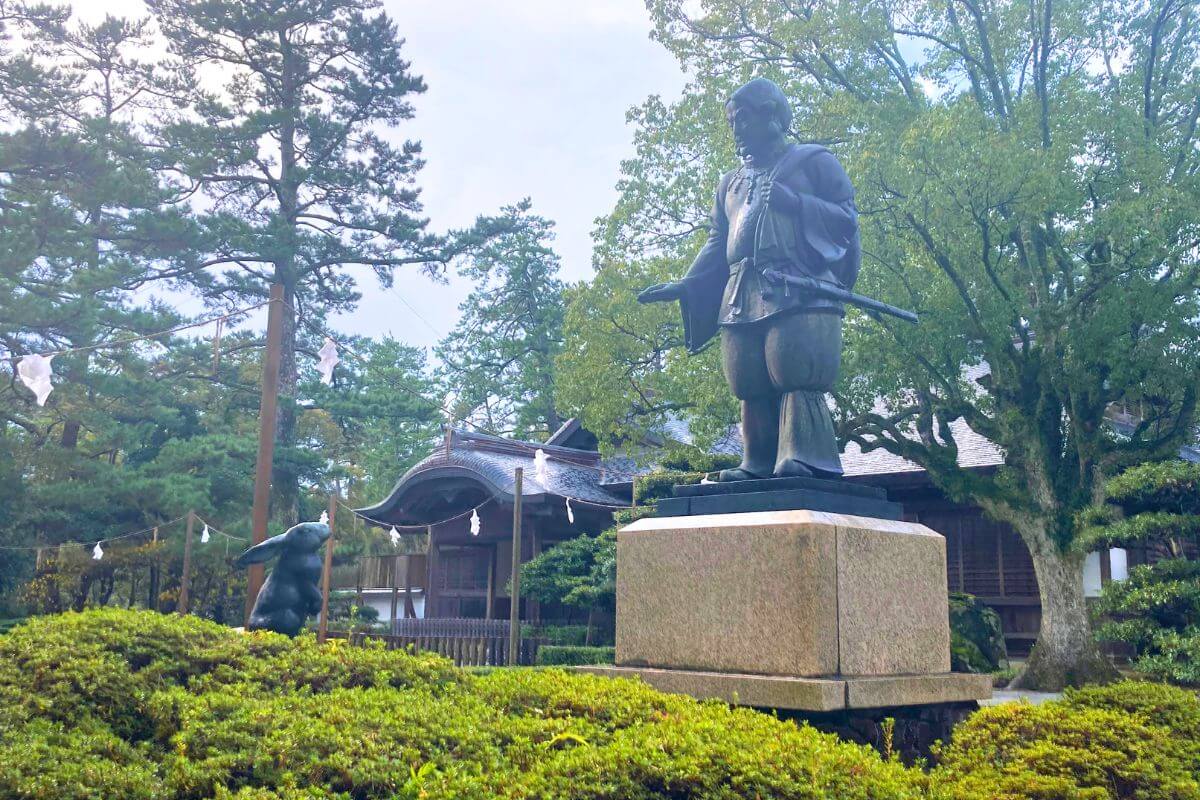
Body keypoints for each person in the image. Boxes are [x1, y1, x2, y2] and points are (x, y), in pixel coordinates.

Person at [638, 77, 860, 481]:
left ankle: (805, 455)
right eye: (731, 123)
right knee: (748, 376)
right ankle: (756, 461)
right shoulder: (730, 182)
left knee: (793, 368)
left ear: (771, 115)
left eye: (742, 120)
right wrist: (687, 284)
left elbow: (847, 220)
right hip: (741, 290)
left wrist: (797, 204)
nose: (736, 130)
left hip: (798, 285)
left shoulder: (813, 162)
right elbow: (718, 240)